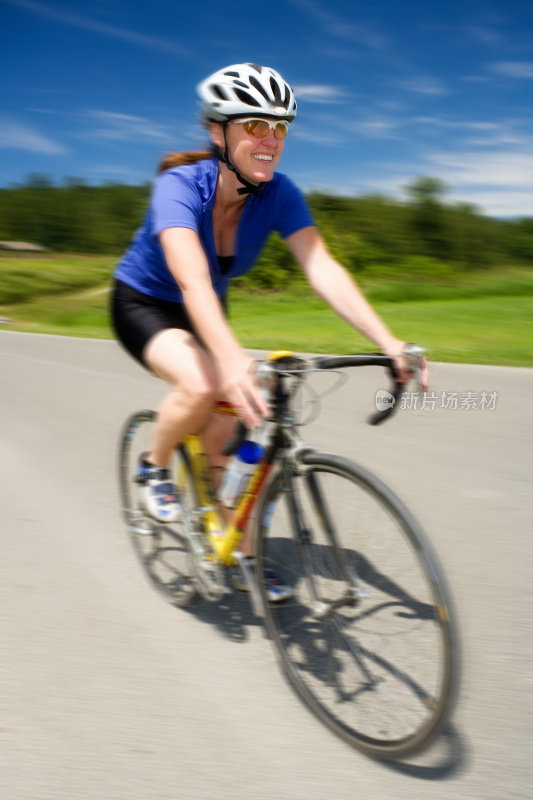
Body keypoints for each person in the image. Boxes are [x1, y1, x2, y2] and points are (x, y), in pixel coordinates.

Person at [111, 62, 427, 599]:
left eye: (280, 127)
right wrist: (230, 360)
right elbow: (191, 280)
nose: (271, 139)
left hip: (208, 306)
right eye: (255, 124)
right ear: (218, 130)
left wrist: (388, 340)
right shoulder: (180, 186)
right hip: (147, 301)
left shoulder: (280, 194)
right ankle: (152, 465)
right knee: (207, 383)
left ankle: (237, 547)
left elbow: (322, 267)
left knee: (235, 428)